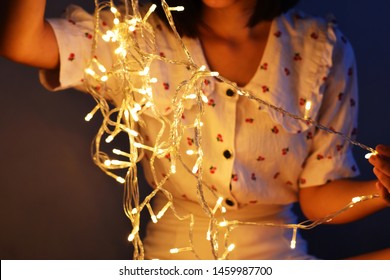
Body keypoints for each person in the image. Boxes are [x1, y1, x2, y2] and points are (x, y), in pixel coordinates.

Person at [0, 0, 389, 259]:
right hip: (172, 259)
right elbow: (22, 43)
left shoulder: (322, 48)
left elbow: (316, 197)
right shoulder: (137, 37)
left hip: (277, 257)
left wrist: (381, 189)